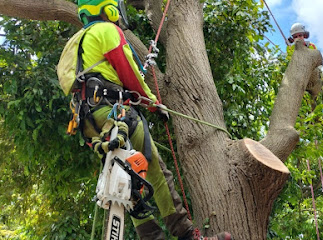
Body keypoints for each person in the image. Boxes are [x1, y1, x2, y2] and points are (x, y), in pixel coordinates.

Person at [56, 0, 232, 239]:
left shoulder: (73, 43)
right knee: (155, 172)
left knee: (124, 182)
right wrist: (152, 103)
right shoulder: (107, 30)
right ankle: (187, 234)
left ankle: (152, 237)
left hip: (88, 123)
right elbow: (129, 73)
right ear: (109, 9)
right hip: (115, 113)